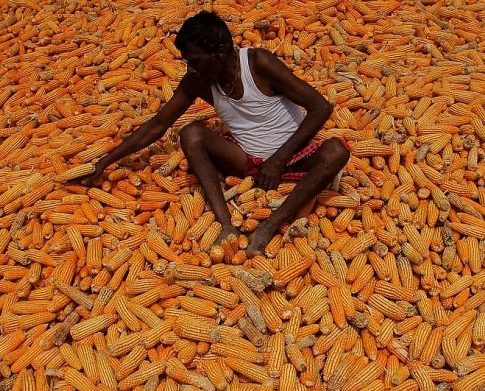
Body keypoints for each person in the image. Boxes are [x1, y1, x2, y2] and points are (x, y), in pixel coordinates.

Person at [78, 11, 350, 256]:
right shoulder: (198, 81)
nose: (190, 70)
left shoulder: (258, 64)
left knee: (337, 151)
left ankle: (270, 224)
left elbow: (320, 107)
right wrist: (105, 162)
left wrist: (279, 159)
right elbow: (158, 125)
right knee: (191, 134)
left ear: (220, 53)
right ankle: (226, 225)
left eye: (195, 61)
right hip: (246, 159)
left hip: (294, 155)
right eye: (187, 62)